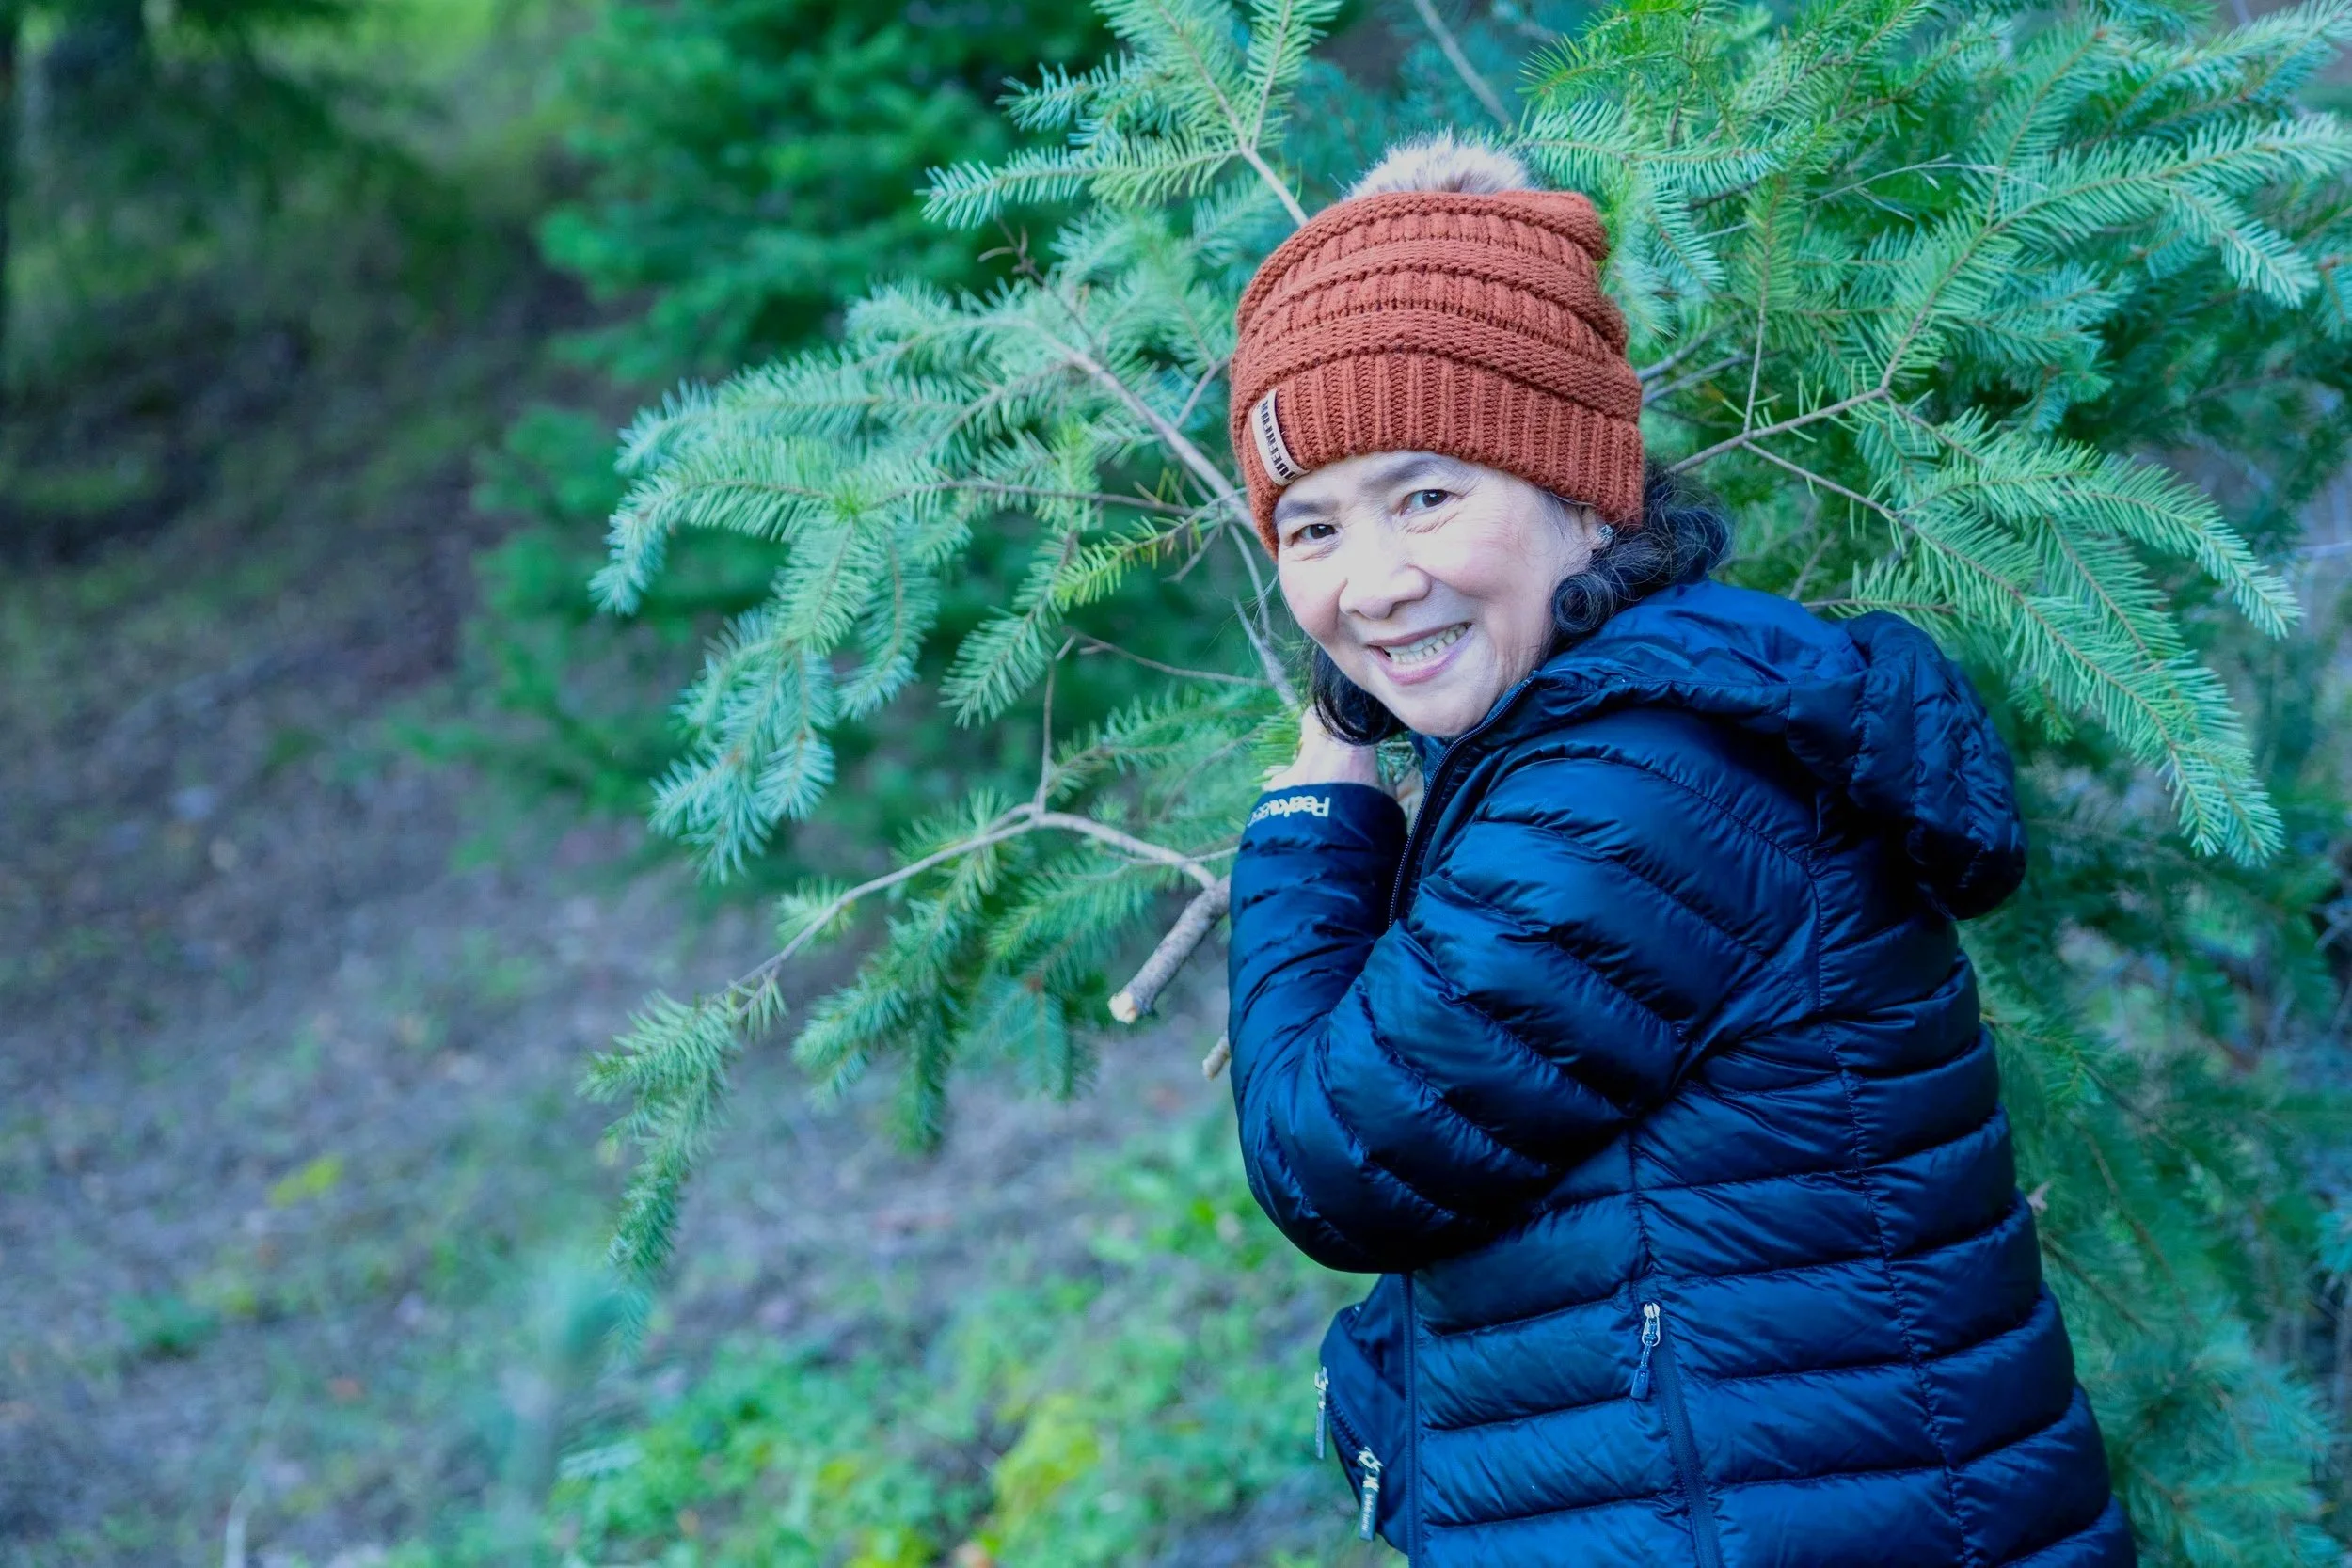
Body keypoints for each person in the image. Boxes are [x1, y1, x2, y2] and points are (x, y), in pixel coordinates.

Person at [1220, 134, 2135, 1567]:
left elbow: (1333, 1152)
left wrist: (1315, 808)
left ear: (1582, 489)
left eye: (1428, 496)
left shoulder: (1645, 785)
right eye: (1314, 527)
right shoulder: (1579, 737)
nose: (1372, 583)